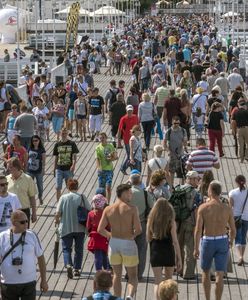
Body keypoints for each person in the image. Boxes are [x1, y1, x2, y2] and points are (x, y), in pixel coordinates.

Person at [98, 184, 142, 300]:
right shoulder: (132, 209)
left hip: (114, 243)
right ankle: (129, 296)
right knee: (133, 275)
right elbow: (138, 230)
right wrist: (132, 235)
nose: (131, 195)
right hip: (128, 242)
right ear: (124, 193)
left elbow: (100, 229)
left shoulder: (108, 209)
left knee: (117, 274)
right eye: (130, 192)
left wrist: (110, 235)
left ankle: (117, 297)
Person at [194, 180, 236, 300]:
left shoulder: (203, 208)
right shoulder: (227, 208)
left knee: (206, 272)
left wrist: (196, 248)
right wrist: (231, 241)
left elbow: (198, 230)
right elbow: (233, 229)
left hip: (208, 241)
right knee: (220, 274)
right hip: (222, 240)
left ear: (211, 191)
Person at [0, 210, 48, 299]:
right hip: (8, 283)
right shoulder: (2, 237)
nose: (26, 224)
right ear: (14, 222)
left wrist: (44, 281)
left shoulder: (32, 235)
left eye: (27, 221)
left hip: (29, 282)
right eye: (22, 222)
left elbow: (41, 258)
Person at [55, 178, 91, 278]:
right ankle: (77, 269)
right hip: (80, 228)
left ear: (68, 187)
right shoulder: (82, 197)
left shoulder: (63, 198)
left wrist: (56, 220)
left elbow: (58, 213)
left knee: (66, 249)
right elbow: (90, 209)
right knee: (79, 249)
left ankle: (68, 264)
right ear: (77, 187)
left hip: (66, 228)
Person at [147, 199, 182, 300]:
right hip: (168, 251)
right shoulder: (171, 222)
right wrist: (179, 257)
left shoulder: (151, 220)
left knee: (158, 281)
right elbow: (175, 241)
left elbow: (148, 238)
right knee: (169, 281)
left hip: (155, 250)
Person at [129, 170, 154, 280]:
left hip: (128, 224)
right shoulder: (145, 193)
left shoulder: (128, 193)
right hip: (142, 223)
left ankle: (129, 272)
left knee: (129, 249)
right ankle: (139, 274)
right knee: (142, 249)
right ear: (140, 182)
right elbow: (152, 206)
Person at [177, 170, 201, 280]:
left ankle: (179, 269)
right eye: (197, 179)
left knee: (179, 246)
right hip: (190, 222)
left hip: (178, 222)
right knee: (190, 248)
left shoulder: (178, 189)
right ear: (191, 179)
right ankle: (189, 273)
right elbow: (198, 210)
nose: (198, 181)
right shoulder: (196, 193)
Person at [6, 157, 37, 226]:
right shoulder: (6, 179)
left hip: (24, 211)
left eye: (10, 167)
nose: (8, 169)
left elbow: (32, 197)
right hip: (10, 212)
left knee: (24, 234)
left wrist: (34, 213)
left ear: (17, 167)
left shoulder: (28, 179)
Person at [53, 127, 79, 201]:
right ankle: (59, 204)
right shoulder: (57, 144)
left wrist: (73, 165)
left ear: (67, 134)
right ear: (60, 134)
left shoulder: (72, 144)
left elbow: (74, 156)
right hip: (59, 169)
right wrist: (54, 168)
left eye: (65, 133)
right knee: (58, 187)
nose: (64, 135)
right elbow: (56, 157)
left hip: (68, 168)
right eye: (62, 133)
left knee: (70, 187)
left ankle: (70, 202)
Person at [86, 194, 110, 272]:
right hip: (104, 235)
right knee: (104, 253)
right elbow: (109, 226)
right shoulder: (105, 213)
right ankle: (107, 268)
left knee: (97, 255)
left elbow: (88, 226)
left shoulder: (90, 213)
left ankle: (98, 270)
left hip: (95, 236)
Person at [228, 175, 248, 266]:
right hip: (246, 218)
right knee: (243, 238)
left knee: (237, 238)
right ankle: (242, 256)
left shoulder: (232, 193)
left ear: (236, 182)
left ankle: (240, 257)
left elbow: (230, 207)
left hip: (236, 218)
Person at [164, 116, 187, 185]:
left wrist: (185, 144)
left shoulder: (183, 130)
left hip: (181, 155)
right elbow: (164, 143)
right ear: (172, 122)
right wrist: (168, 151)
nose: (176, 124)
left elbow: (185, 141)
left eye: (178, 123)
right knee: (171, 172)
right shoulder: (169, 131)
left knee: (182, 173)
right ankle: (172, 187)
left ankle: (182, 187)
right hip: (172, 155)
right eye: (175, 123)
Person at [95, 132, 118, 202]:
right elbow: (97, 159)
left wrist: (111, 159)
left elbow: (116, 157)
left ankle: (108, 202)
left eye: (103, 138)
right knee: (101, 189)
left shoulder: (110, 146)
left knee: (108, 187)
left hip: (109, 170)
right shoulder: (98, 148)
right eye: (100, 138)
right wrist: (99, 167)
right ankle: (102, 202)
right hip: (102, 170)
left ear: (106, 138)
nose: (101, 139)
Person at [118, 105, 139, 175]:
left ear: (133, 111)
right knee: (129, 155)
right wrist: (119, 142)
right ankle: (124, 168)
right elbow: (120, 130)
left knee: (132, 154)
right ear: (126, 111)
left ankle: (128, 168)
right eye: (128, 111)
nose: (130, 112)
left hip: (135, 138)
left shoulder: (135, 117)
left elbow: (137, 126)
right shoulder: (123, 119)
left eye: (131, 111)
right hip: (127, 139)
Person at [27, 135, 46, 206]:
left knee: (40, 186)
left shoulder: (41, 149)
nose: (35, 142)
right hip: (30, 170)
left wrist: (43, 169)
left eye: (36, 140)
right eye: (33, 141)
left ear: (39, 141)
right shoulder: (30, 148)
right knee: (29, 187)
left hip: (39, 171)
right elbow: (27, 158)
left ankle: (40, 197)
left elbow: (44, 160)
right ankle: (30, 201)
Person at [231, 98, 248, 163]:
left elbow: (233, 122)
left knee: (240, 145)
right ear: (244, 106)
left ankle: (241, 159)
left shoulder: (236, 112)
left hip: (239, 129)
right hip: (246, 129)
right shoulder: (247, 112)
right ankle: (246, 156)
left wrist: (233, 130)